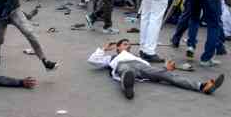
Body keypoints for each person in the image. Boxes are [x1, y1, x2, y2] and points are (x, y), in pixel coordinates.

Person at [87, 39, 225, 100]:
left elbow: (151, 69)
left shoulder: (138, 57)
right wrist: (104, 49)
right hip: (124, 66)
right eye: (124, 44)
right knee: (126, 71)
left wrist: (165, 69)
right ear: (117, 47)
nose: (128, 46)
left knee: (168, 76)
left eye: (129, 44)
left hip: (142, 68)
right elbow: (92, 60)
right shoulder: (113, 57)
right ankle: (127, 87)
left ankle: (202, 86)